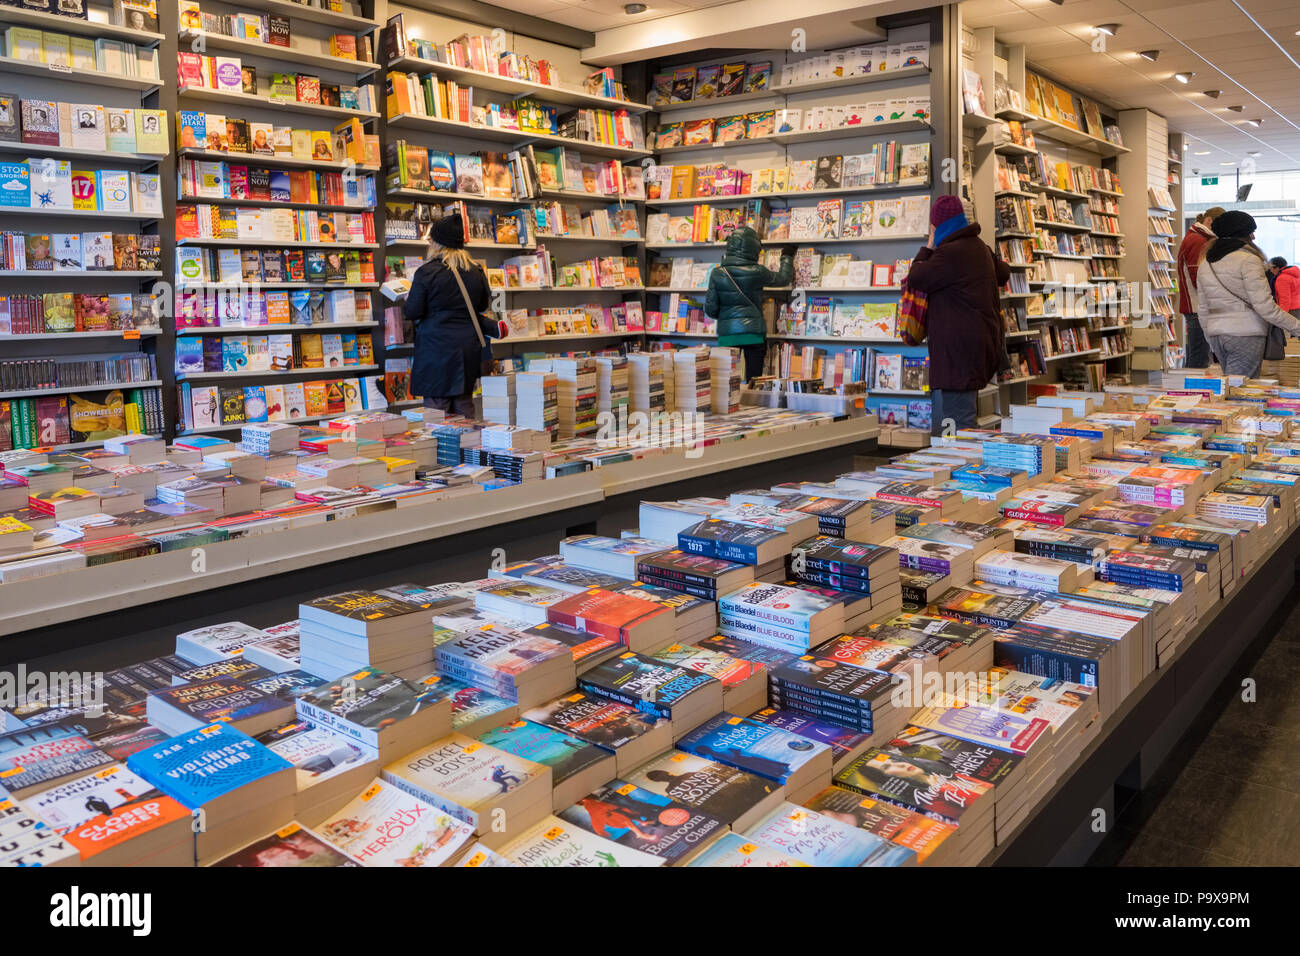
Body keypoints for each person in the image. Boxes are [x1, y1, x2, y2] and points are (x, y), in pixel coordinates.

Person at [905, 195, 1009, 435]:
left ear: (937, 225)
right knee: (953, 420)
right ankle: (953, 466)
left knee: (959, 426)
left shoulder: (949, 253)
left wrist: (928, 246)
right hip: (976, 348)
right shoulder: (978, 247)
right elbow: (1003, 273)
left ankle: (963, 469)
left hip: (957, 355)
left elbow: (917, 277)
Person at [403, 214, 499, 417]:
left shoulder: (427, 272)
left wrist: (407, 297)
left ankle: (441, 449)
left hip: (436, 350)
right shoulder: (475, 271)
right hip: (467, 350)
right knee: (464, 404)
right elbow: (481, 306)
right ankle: (468, 446)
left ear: (437, 243)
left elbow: (412, 311)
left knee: (437, 410)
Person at [1195, 210, 1300, 377]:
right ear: (1241, 234)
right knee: (1240, 391)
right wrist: (1297, 327)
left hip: (1216, 334)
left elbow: (1202, 309)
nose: (1254, 237)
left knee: (1231, 386)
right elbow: (1265, 307)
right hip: (1245, 333)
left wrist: (1211, 336)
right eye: (1251, 232)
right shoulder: (1248, 260)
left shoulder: (1205, 263)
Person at [704, 226, 793, 382]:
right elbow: (783, 279)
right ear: (754, 249)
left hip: (728, 335)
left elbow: (711, 310)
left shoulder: (717, 273)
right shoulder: (757, 271)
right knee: (755, 382)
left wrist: (728, 317)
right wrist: (787, 256)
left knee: (726, 384)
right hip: (753, 334)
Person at [1175, 205, 1225, 369]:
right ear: (1209, 221)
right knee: (1199, 358)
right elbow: (1198, 276)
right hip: (1197, 306)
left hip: (1197, 305)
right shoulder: (1198, 240)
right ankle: (1191, 393)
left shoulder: (1196, 238)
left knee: (1199, 355)